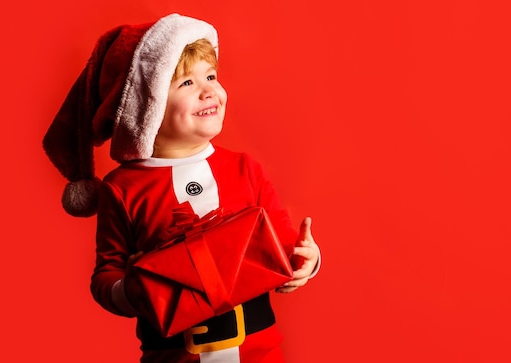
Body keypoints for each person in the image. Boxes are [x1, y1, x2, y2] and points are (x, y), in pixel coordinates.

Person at [43, 13, 320, 363]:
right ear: (145, 106)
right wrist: (134, 287)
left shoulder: (244, 168)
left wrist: (306, 261)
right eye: (186, 83)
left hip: (261, 355)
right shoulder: (122, 189)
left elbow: (282, 246)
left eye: (211, 76)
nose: (208, 90)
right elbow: (105, 278)